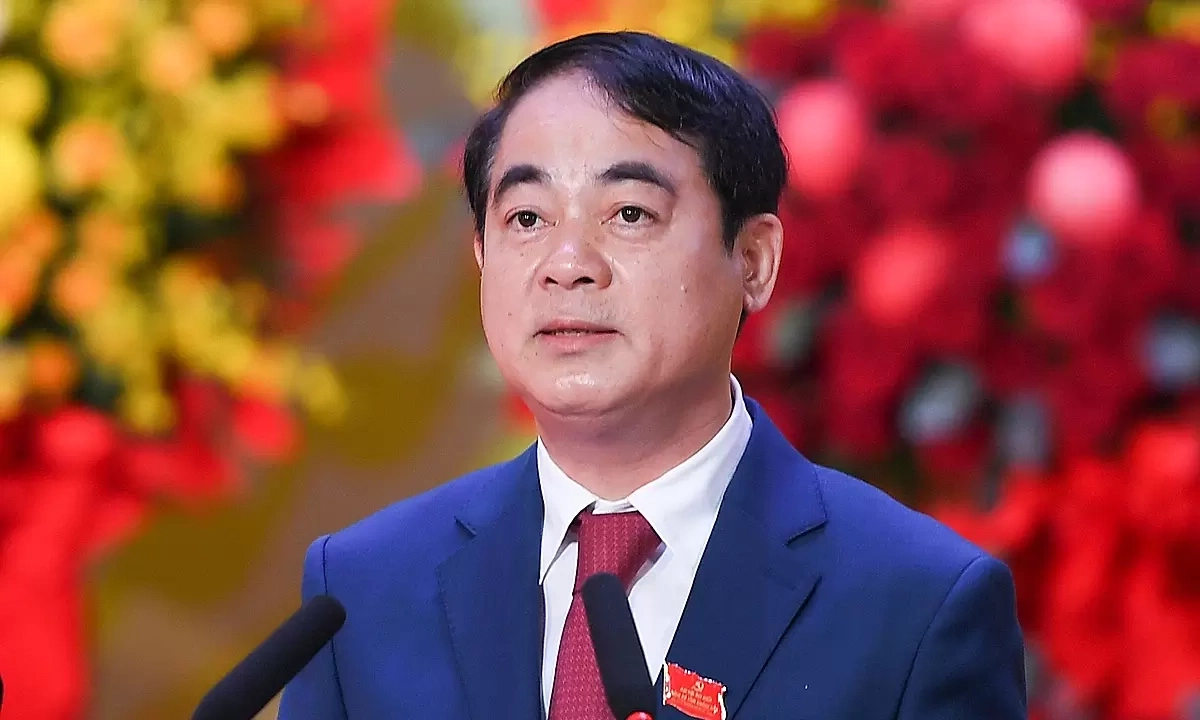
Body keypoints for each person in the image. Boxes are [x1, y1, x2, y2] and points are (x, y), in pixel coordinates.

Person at [278, 31, 1026, 720]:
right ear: (482, 258)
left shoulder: (917, 603)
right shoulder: (362, 589)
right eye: (527, 219)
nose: (567, 265)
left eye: (629, 214)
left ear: (754, 261)